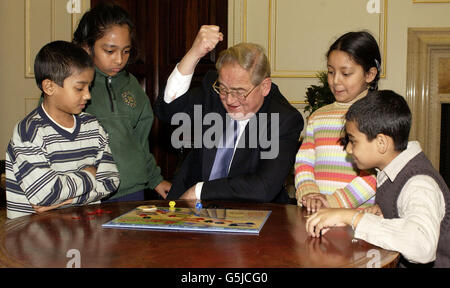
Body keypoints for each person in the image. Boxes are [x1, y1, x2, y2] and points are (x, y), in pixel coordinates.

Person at [155, 25, 304, 203]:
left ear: (264, 87)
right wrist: (194, 54)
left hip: (251, 215)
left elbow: (263, 186)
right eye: (224, 90)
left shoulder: (282, 119)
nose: (230, 100)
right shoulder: (214, 91)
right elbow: (167, 110)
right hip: (187, 210)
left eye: (240, 92)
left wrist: (200, 190)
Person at [305, 90, 449, 268]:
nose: (348, 149)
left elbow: (422, 246)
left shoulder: (419, 183)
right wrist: (384, 214)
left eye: (353, 141)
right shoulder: (390, 171)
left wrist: (352, 217)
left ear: (381, 143)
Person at [6, 41, 120, 219]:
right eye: (79, 88)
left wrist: (63, 202)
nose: (88, 95)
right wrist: (89, 175)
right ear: (49, 87)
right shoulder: (28, 133)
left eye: (89, 87)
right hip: (33, 239)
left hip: (84, 233)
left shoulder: (93, 127)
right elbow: (45, 193)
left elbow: (110, 181)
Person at [72, 3, 171, 201]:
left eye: (126, 51)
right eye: (110, 51)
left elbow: (140, 142)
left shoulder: (131, 85)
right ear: (86, 47)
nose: (119, 60)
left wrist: (155, 179)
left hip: (133, 190)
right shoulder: (71, 85)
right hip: (91, 194)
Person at [294, 31, 380, 212]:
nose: (335, 81)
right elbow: (304, 162)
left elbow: (375, 174)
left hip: (356, 219)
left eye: (346, 73)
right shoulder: (318, 116)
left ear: (370, 74)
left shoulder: (378, 116)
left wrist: (332, 201)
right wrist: (309, 194)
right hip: (316, 213)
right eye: (331, 72)